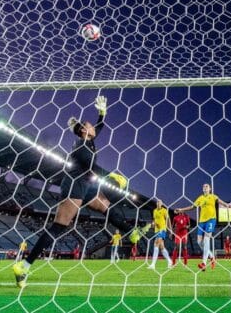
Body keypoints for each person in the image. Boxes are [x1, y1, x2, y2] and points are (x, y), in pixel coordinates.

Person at [13, 96, 144, 287]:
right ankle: (24, 265)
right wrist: (113, 177)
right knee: (59, 226)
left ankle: (132, 233)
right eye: (89, 125)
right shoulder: (82, 146)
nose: (93, 127)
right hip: (74, 185)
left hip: (85, 186)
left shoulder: (89, 140)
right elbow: (92, 168)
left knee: (105, 206)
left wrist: (102, 114)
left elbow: (99, 128)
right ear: (84, 130)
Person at [176, 183, 231, 271]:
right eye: (203, 187)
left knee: (206, 240)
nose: (205, 188)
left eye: (207, 187)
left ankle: (204, 263)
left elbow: (220, 202)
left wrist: (228, 205)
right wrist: (181, 209)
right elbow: (192, 207)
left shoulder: (213, 196)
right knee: (199, 242)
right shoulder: (200, 198)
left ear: (210, 189)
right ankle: (212, 257)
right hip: (201, 221)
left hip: (211, 220)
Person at [147, 199, 173, 269]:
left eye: (160, 202)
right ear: (156, 204)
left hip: (163, 229)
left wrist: (170, 230)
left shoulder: (164, 210)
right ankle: (169, 261)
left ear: (161, 204)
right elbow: (155, 220)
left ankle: (153, 264)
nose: (158, 203)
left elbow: (168, 220)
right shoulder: (154, 211)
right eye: (157, 202)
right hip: (157, 230)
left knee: (156, 243)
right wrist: (153, 224)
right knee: (162, 247)